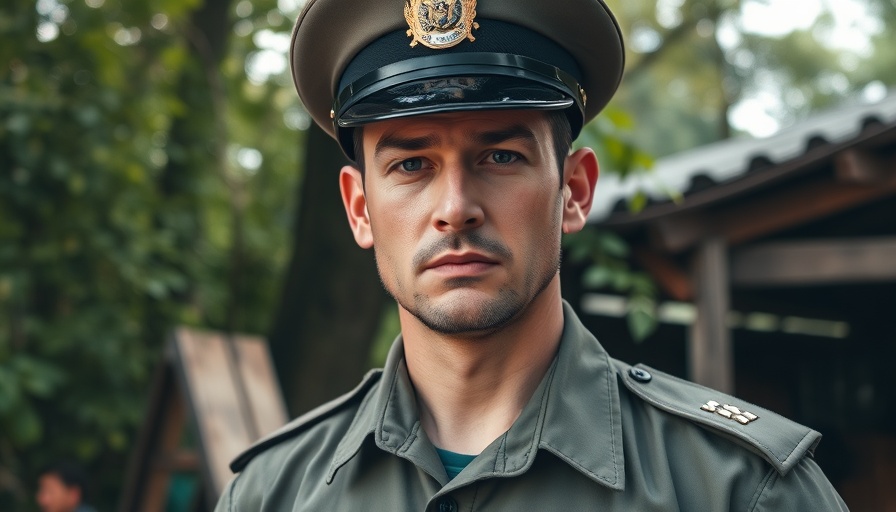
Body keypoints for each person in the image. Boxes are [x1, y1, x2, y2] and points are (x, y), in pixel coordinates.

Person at [216, 0, 848, 509]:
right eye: (412, 164)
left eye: (500, 156)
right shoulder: (272, 493)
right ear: (360, 209)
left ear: (573, 191)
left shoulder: (740, 489)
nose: (456, 206)